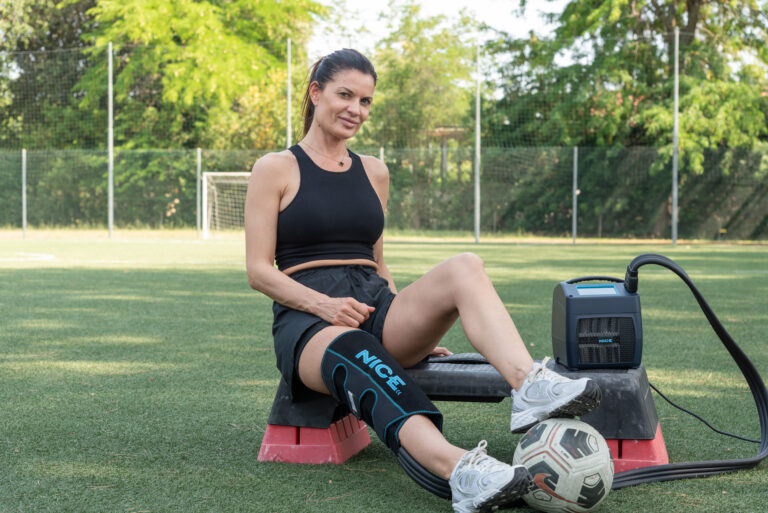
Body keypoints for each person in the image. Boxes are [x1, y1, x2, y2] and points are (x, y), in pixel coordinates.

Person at [245, 48, 601, 513]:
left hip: (374, 306)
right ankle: (460, 470)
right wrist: (324, 306)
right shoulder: (276, 167)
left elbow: (377, 262)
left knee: (465, 265)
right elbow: (258, 270)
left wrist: (409, 325)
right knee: (355, 349)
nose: (356, 109)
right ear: (316, 93)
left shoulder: (374, 171)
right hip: (309, 324)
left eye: (366, 101)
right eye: (345, 95)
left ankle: (529, 385)